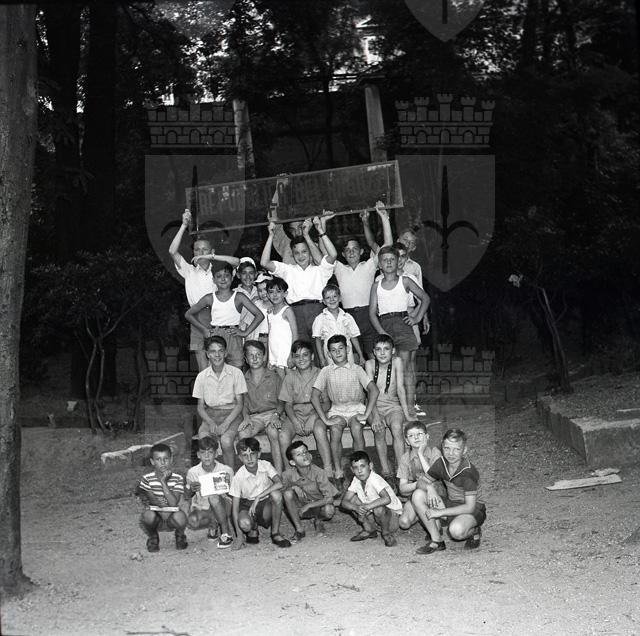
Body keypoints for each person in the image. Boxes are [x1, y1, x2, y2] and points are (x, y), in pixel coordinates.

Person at [168, 209, 240, 370]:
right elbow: (172, 251)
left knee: (223, 363)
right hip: (196, 316)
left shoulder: (219, 270)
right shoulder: (189, 270)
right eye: (197, 250)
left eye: (204, 250)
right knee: (203, 366)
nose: (200, 253)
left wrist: (211, 258)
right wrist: (183, 225)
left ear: (212, 252)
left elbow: (237, 262)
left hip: (218, 315)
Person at [369, 246, 430, 419]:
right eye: (385, 260)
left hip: (403, 325)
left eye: (392, 259)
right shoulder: (376, 286)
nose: (388, 262)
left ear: (398, 262)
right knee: (387, 369)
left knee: (406, 369)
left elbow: (425, 298)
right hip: (385, 326)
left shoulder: (405, 281)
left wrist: (417, 318)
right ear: (379, 264)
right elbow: (372, 313)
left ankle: (409, 408)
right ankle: (390, 408)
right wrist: (382, 333)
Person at [311, 335, 379, 490]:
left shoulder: (357, 369)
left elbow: (373, 390)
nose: (338, 352)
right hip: (337, 409)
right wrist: (325, 420)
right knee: (335, 430)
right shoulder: (326, 371)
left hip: (356, 408)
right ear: (329, 354)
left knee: (356, 428)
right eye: (333, 350)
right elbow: (314, 396)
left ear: (348, 349)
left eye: (341, 348)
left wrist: (366, 414)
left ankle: (361, 470)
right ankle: (338, 471)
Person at [260, 217, 337, 343]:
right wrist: (270, 235)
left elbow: (333, 255)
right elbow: (264, 262)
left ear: (310, 252)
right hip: (295, 314)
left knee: (322, 348)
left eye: (304, 251)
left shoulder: (320, 270)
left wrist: (308, 235)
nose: (301, 256)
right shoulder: (288, 270)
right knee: (300, 350)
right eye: (296, 253)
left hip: (317, 311)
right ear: (292, 254)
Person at [332, 201, 393, 359]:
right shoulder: (339, 268)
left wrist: (384, 218)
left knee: (374, 356)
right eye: (347, 250)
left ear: (361, 251)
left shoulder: (369, 266)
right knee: (352, 359)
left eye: (355, 249)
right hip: (348, 317)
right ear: (343, 254)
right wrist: (322, 227)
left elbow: (387, 246)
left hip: (368, 315)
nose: (351, 253)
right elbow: (325, 254)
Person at [413, 428, 486, 554]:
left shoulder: (468, 472)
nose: (451, 453)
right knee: (418, 494)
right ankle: (437, 541)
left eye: (456, 449)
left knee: (456, 531)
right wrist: (430, 488)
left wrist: (439, 513)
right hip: (451, 503)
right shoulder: (441, 463)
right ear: (442, 447)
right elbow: (421, 482)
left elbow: (469, 507)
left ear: (464, 450)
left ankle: (474, 530)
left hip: (473, 508)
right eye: (447, 448)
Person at [185, 262, 264, 368]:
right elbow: (188, 314)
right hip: (215, 335)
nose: (223, 279)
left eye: (226, 275)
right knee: (215, 369)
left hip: (233, 336)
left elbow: (259, 315)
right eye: (219, 276)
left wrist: (245, 332)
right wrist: (204, 329)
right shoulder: (209, 298)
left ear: (232, 277)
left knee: (236, 368)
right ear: (213, 279)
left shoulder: (239, 296)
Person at [278, 340, 333, 476]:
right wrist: (295, 422)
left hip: (317, 412)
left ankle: (328, 469)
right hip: (296, 413)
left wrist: (314, 417)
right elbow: (287, 405)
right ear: (292, 359)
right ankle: (290, 472)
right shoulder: (290, 377)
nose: (301, 359)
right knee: (283, 435)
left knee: (319, 429)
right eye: (297, 356)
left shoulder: (321, 374)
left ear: (312, 356)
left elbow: (327, 403)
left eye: (305, 355)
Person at [191, 335, 247, 469]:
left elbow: (240, 404)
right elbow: (200, 407)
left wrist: (226, 423)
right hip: (211, 415)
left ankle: (230, 474)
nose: (217, 355)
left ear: (225, 353)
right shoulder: (202, 376)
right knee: (205, 441)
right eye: (213, 351)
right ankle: (210, 476)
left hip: (232, 414)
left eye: (220, 351)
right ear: (207, 354)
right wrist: (210, 422)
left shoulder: (236, 373)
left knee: (226, 441)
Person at [365, 334, 413, 482]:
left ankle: (402, 468)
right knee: (379, 429)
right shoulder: (369, 364)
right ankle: (385, 468)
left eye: (386, 349)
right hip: (374, 406)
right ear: (374, 352)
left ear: (393, 351)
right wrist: (376, 416)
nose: (382, 353)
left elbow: (400, 388)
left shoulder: (397, 362)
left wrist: (407, 414)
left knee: (397, 427)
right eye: (378, 349)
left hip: (392, 405)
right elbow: (370, 393)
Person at [229, 437, 291, 549]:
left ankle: (275, 533)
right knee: (244, 523)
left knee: (276, 495)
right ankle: (253, 527)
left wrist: (258, 497)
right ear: (240, 458)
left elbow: (279, 483)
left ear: (259, 453)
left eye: (252, 454)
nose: (249, 458)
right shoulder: (238, 477)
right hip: (248, 504)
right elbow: (235, 508)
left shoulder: (266, 465)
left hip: (266, 502)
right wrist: (239, 536)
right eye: (245, 455)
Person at [238, 340, 286, 472]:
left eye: (258, 355)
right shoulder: (243, 379)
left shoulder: (274, 377)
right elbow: (243, 403)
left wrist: (276, 415)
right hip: (255, 417)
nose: (255, 358)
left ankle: (278, 472)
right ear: (246, 359)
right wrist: (246, 417)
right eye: (251, 355)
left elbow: (282, 401)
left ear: (264, 357)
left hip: (273, 414)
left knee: (273, 431)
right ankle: (252, 472)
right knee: (243, 433)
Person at [341, 450, 402, 547]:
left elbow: (386, 499)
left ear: (370, 466)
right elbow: (344, 502)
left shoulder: (374, 479)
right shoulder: (356, 479)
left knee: (378, 507)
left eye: (362, 466)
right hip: (374, 515)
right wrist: (356, 508)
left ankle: (386, 534)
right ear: (352, 470)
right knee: (352, 500)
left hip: (391, 519)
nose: (359, 471)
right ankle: (369, 530)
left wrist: (367, 507)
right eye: (356, 468)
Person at [135, 443, 188, 552]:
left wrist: (163, 483)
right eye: (158, 459)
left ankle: (180, 536)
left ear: (171, 459)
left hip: (172, 517)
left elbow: (173, 503)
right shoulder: (147, 479)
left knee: (181, 516)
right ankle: (153, 537)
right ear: (152, 461)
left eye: (166, 459)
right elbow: (151, 499)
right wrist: (158, 502)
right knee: (147, 515)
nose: (162, 463)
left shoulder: (178, 478)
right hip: (157, 516)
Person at [282, 440, 339, 541]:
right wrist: (293, 488)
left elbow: (329, 499)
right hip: (300, 507)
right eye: (299, 454)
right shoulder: (287, 475)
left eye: (305, 452)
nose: (304, 455)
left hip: (318, 506)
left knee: (329, 510)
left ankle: (318, 520)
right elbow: (280, 493)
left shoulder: (319, 473)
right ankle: (299, 530)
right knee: (287, 493)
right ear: (292, 462)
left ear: (310, 455)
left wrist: (309, 506)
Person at [184, 435, 234, 548]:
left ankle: (226, 532)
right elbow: (187, 495)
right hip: (204, 507)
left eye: (210, 452)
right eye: (203, 452)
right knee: (193, 521)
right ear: (198, 455)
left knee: (213, 497)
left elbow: (233, 493)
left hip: (222, 505)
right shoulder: (193, 472)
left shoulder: (226, 470)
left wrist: (224, 494)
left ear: (216, 454)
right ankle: (213, 525)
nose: (206, 456)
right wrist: (191, 489)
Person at [396, 421, 442, 532]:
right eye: (411, 436)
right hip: (417, 494)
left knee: (436, 528)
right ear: (407, 441)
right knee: (404, 522)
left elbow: (433, 476)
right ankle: (421, 514)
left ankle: (433, 517)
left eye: (419, 434)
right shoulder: (405, 458)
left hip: (436, 493)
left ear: (427, 436)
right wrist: (418, 484)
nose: (416, 438)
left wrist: (420, 454)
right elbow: (402, 488)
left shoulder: (435, 452)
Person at [312, 283, 364, 367]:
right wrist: (321, 358)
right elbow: (317, 339)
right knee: (333, 372)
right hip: (329, 352)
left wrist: (361, 355)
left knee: (349, 371)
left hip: (347, 351)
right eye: (328, 298)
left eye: (334, 296)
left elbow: (353, 337)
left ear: (340, 298)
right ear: (324, 301)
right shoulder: (320, 318)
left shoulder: (347, 317)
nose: (332, 300)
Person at [265, 276, 297, 377]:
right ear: (267, 295)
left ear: (285, 294)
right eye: (271, 292)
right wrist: (269, 358)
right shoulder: (269, 313)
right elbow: (270, 336)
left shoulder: (287, 311)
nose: (274, 295)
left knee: (290, 380)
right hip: (275, 353)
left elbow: (295, 335)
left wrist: (292, 355)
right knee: (281, 381)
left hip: (286, 352)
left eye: (278, 291)